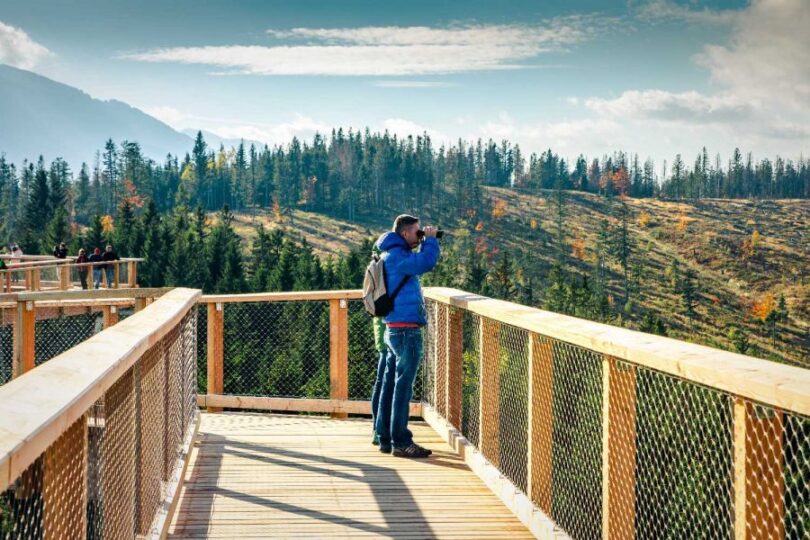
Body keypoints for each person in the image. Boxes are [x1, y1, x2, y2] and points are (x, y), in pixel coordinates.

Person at [374, 214, 440, 458]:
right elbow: (425, 263)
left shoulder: (389, 254)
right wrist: (431, 241)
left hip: (394, 329)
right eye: (417, 232)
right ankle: (401, 441)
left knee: (391, 384)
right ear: (404, 233)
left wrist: (423, 241)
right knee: (403, 387)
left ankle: (385, 437)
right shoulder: (398, 257)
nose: (420, 234)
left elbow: (418, 263)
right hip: (405, 331)